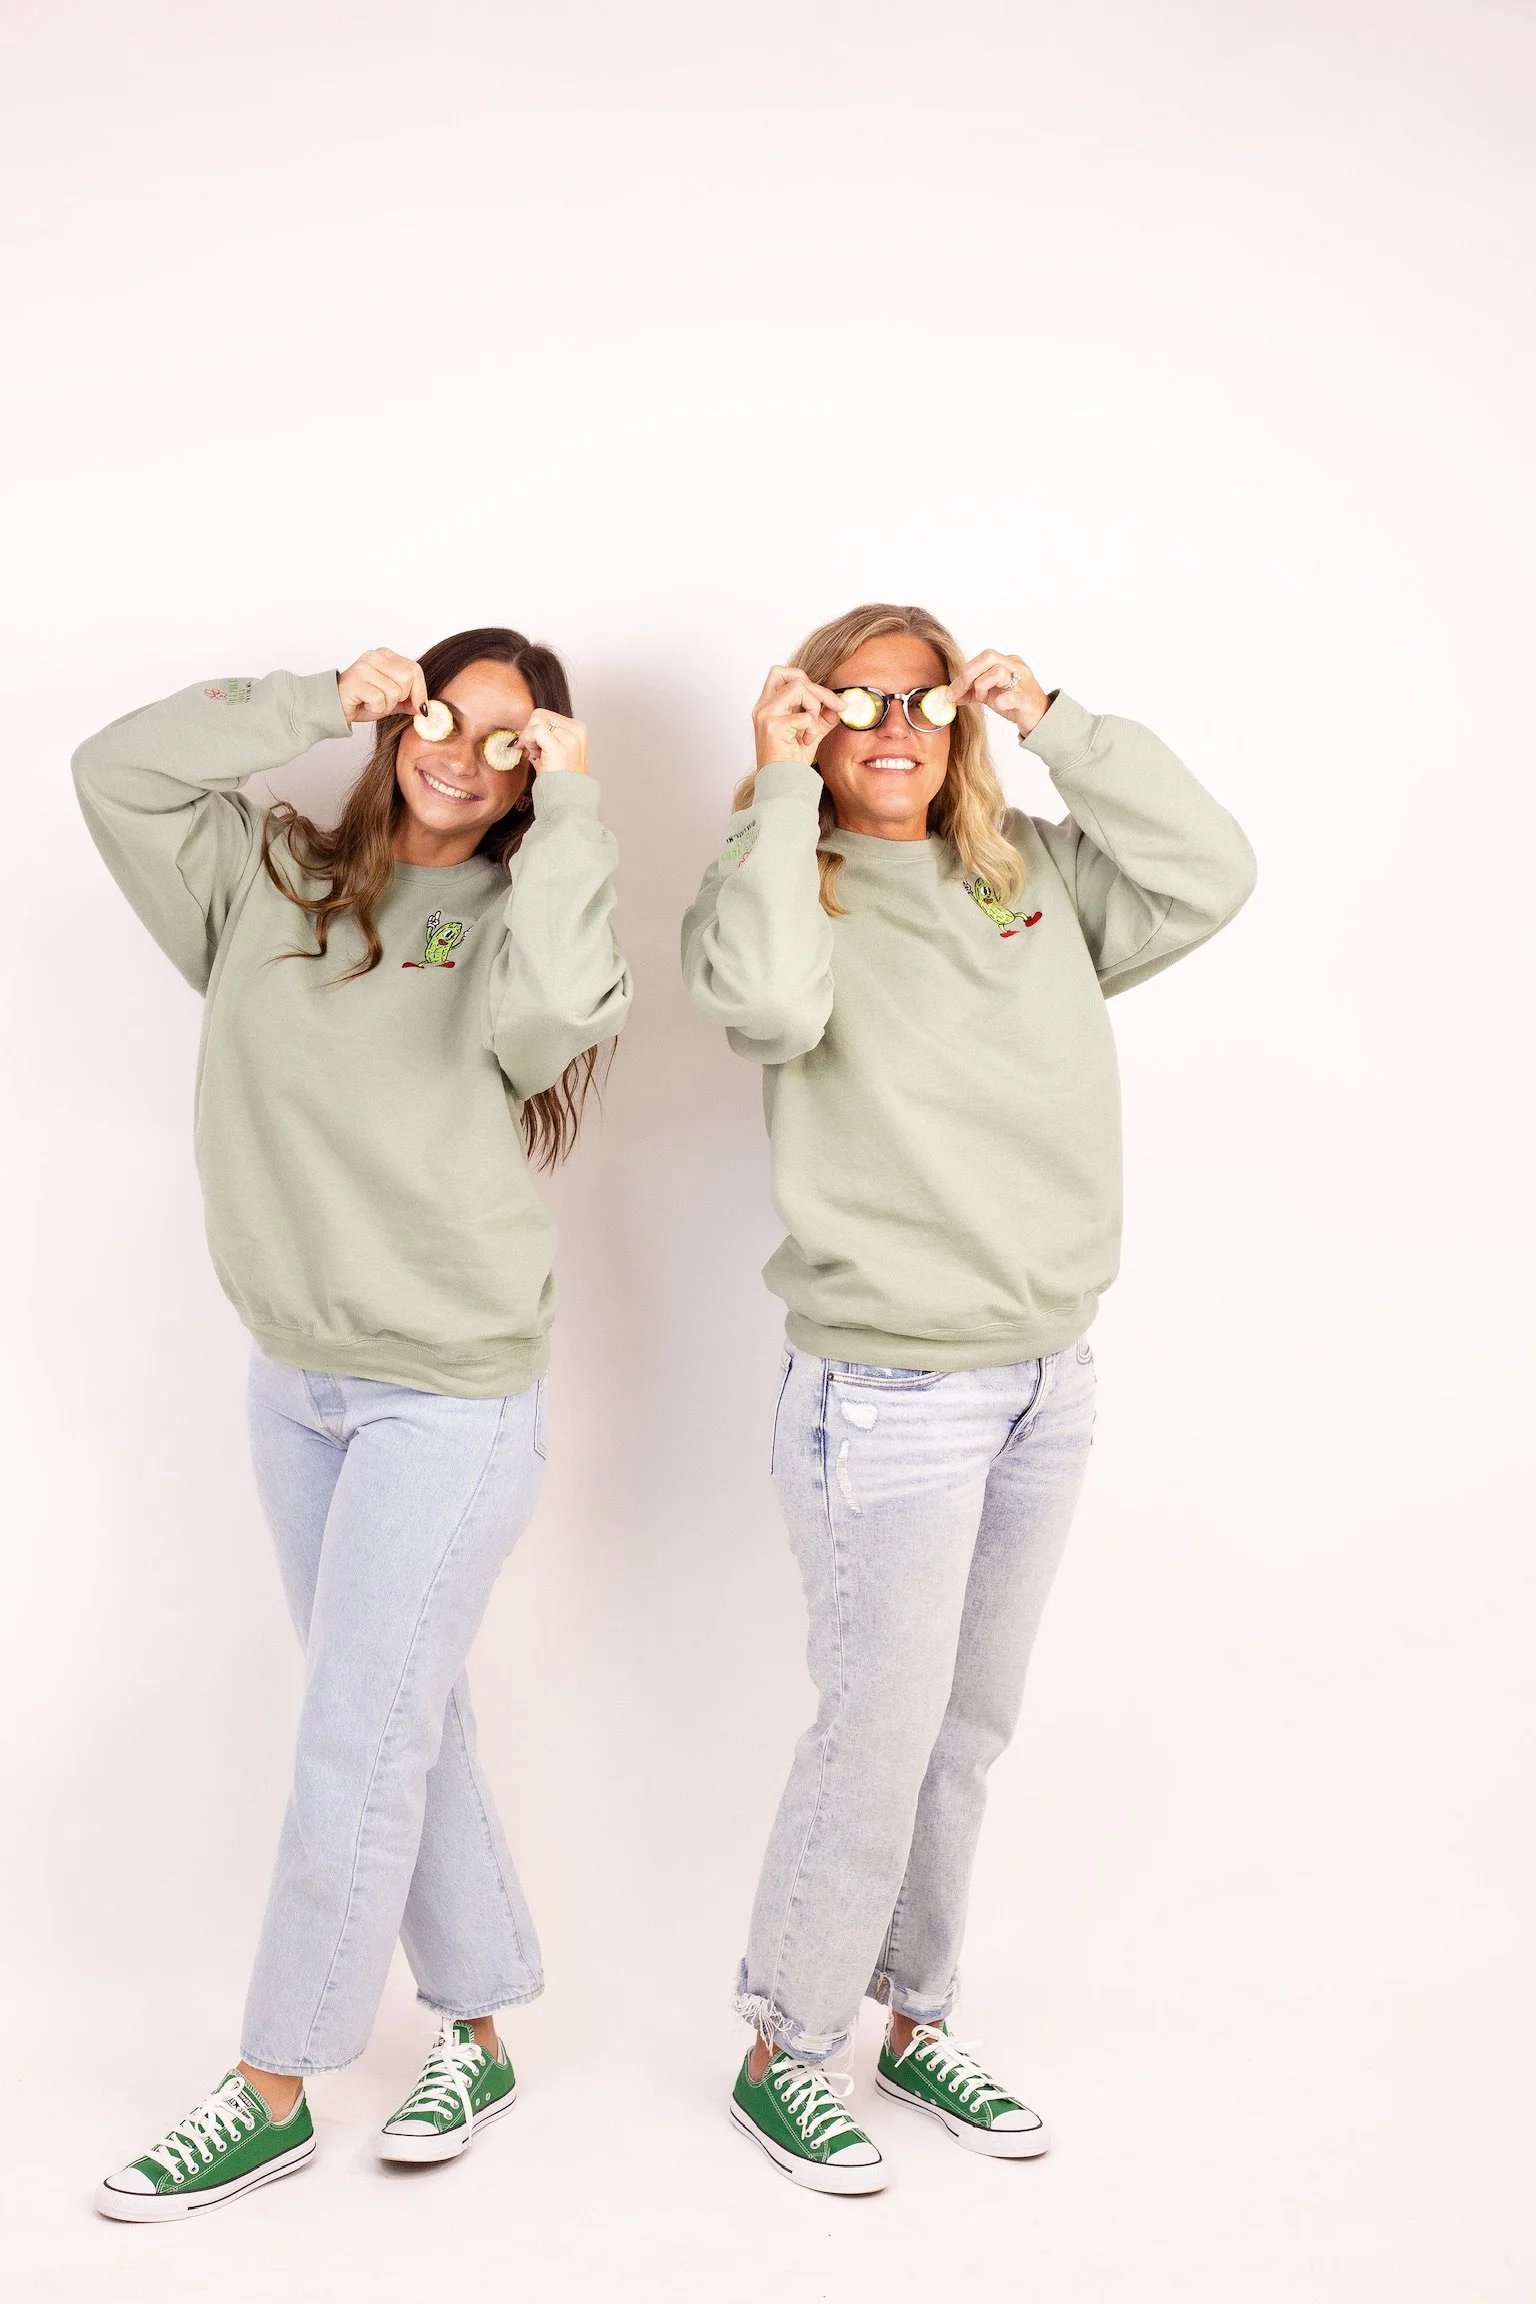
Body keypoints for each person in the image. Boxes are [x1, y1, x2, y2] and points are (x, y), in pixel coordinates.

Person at [683, 602, 1256, 2193]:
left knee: (964, 1732)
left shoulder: (1031, 879)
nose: (894, 729)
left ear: (964, 725)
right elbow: (770, 1011)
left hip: (1045, 1378)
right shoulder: (777, 883)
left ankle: (914, 2017)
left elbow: (1212, 871)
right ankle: (785, 2050)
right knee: (875, 1735)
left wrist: (1065, 720)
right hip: (888, 1389)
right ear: (812, 718)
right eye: (857, 701)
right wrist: (777, 784)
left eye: (925, 702)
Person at [76, 630, 632, 2220]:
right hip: (295, 1379)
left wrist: (575, 816)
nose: (467, 755)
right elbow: (113, 771)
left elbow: (563, 1015)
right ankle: (481, 2028)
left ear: (535, 775)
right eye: (449, 717)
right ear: (403, 721)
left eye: (514, 744)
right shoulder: (267, 882)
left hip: (449, 1392)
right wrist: (315, 700)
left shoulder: (529, 914)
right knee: (399, 1713)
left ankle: (273, 2086)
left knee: (356, 1734)